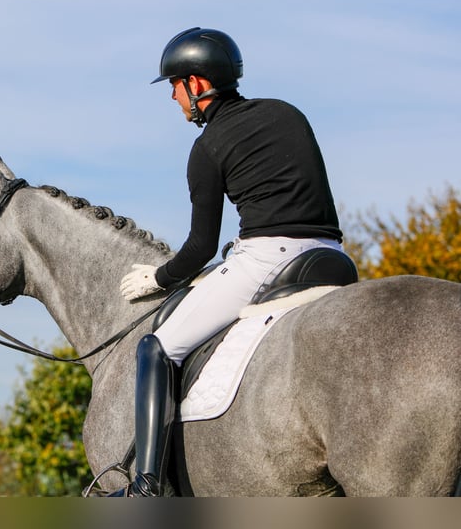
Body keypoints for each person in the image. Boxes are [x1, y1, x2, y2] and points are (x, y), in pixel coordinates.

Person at [112, 27, 346, 497]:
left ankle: (147, 486)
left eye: (175, 86)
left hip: (267, 259)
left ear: (197, 84)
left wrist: (159, 278)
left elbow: (200, 247)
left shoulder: (208, 147)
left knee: (156, 347)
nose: (174, 98)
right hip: (332, 257)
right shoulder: (287, 112)